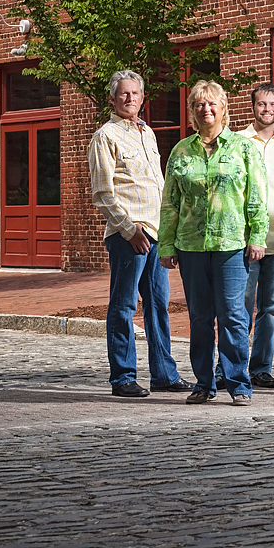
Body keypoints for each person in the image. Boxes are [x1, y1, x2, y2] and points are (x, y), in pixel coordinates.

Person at [158, 79, 269, 406]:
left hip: (232, 246)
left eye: (212, 104)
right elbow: (170, 203)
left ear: (223, 109)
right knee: (200, 318)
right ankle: (204, 384)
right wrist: (166, 246)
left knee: (234, 316)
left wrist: (257, 237)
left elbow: (257, 198)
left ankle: (238, 383)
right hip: (190, 248)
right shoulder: (180, 151)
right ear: (193, 111)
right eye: (199, 104)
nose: (206, 109)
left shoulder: (243, 148)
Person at [87, 69, 189, 398]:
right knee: (124, 306)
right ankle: (123, 377)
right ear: (112, 99)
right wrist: (130, 230)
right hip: (128, 236)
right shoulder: (105, 136)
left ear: (142, 97)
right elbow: (103, 194)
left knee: (159, 305)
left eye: (135, 93)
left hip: (157, 234)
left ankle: (164, 373)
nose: (130, 99)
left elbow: (156, 186)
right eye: (124, 94)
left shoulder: (148, 133)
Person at [239, 82, 274, 388]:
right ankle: (230, 367)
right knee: (239, 309)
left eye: (273, 105)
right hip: (245, 241)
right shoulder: (236, 142)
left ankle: (260, 368)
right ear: (253, 107)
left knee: (271, 309)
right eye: (262, 104)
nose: (267, 109)